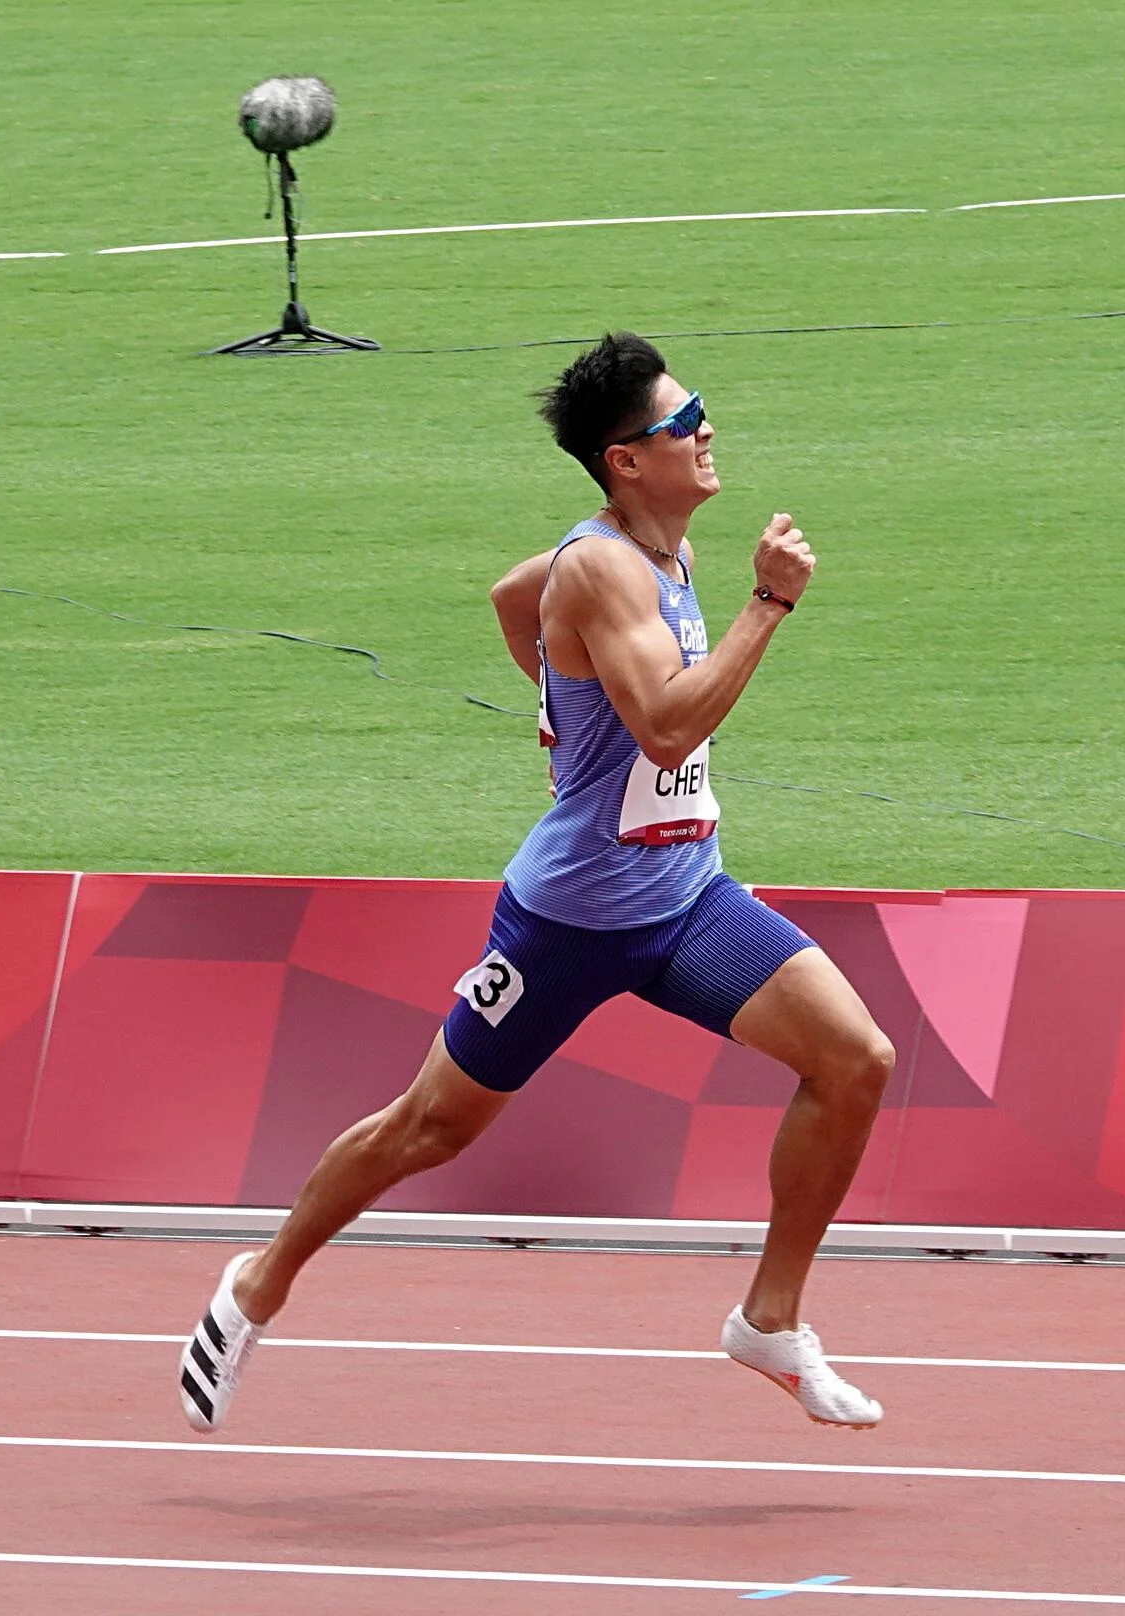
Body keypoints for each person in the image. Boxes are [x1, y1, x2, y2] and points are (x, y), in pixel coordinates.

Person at [178, 332, 894, 1434]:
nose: (705, 428)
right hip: (566, 922)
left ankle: (769, 1319)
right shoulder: (603, 564)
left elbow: (512, 598)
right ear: (623, 460)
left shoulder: (655, 547)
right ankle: (258, 1281)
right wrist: (767, 604)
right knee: (427, 1127)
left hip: (683, 901)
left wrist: (561, 713)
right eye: (681, 417)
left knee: (853, 1060)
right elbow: (661, 727)